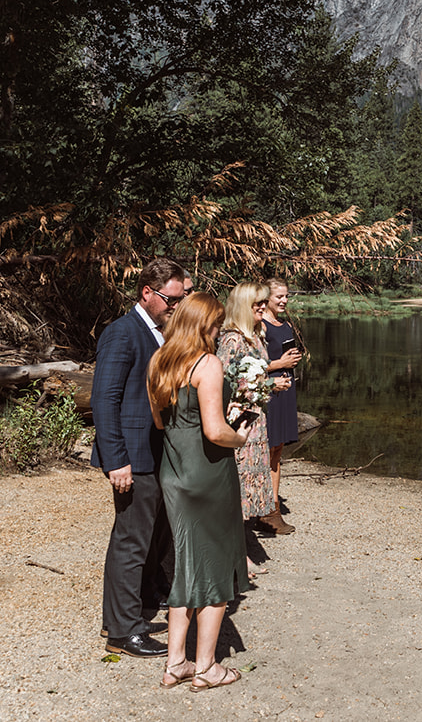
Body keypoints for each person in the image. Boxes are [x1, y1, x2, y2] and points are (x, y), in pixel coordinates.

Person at [146, 291, 250, 692]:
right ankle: (207, 667)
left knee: (187, 566)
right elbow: (214, 430)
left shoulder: (158, 361)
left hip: (173, 473)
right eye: (215, 324)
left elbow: (159, 423)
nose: (218, 331)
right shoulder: (207, 364)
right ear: (202, 325)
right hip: (207, 474)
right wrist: (240, 435)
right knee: (216, 567)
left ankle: (176, 663)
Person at [90, 257, 187, 657]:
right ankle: (122, 629)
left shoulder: (161, 333)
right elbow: (104, 400)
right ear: (147, 293)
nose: (176, 307)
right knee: (130, 542)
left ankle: (145, 603)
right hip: (131, 457)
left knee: (151, 538)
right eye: (170, 299)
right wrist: (116, 460)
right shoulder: (122, 333)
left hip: (156, 454)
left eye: (181, 300)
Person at [216, 281, 292, 576]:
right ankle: (235, 556)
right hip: (239, 424)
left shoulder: (254, 337)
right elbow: (225, 384)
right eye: (256, 304)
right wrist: (270, 383)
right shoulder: (232, 340)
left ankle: (239, 551)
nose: (262, 308)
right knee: (236, 490)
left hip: (255, 424)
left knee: (247, 492)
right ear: (242, 307)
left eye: (263, 303)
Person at [258, 278, 305, 535]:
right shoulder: (259, 326)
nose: (284, 300)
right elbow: (247, 366)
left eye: (286, 296)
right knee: (266, 448)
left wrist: (291, 360)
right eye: (279, 297)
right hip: (269, 391)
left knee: (277, 450)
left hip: (286, 390)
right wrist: (278, 364)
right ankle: (263, 508)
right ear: (266, 298)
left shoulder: (285, 324)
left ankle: (274, 504)